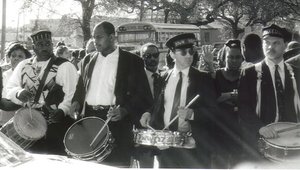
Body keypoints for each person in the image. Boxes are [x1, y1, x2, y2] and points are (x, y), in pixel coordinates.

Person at [71, 21, 148, 168]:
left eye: (99, 37)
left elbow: (142, 94)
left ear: (112, 37)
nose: (95, 41)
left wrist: (125, 110)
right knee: (90, 164)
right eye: (94, 37)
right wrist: (76, 101)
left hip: (116, 122)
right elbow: (81, 87)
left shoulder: (132, 61)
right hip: (90, 120)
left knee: (116, 165)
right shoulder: (87, 60)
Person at [139, 33, 219, 168]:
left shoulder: (203, 78)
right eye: (183, 52)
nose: (188, 55)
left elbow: (215, 112)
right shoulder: (162, 78)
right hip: (167, 146)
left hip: (193, 146)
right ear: (172, 54)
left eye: (191, 51)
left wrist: (192, 114)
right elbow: (158, 105)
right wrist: (148, 113)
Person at [6, 30, 78, 155]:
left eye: (47, 43)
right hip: (28, 122)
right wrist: (18, 93)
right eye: (40, 44)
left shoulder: (65, 65)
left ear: (52, 45)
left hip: (55, 123)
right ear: (33, 47)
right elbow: (9, 87)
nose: (45, 47)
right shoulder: (23, 65)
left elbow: (72, 93)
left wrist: (63, 110)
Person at [238, 24, 300, 161]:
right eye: (266, 43)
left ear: (285, 44)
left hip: (295, 141)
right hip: (262, 143)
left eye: (276, 43)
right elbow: (243, 107)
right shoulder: (250, 74)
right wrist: (259, 127)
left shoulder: (296, 72)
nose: (270, 47)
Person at [207, 39, 244, 168]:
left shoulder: (246, 76)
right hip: (219, 130)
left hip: (239, 131)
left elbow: (248, 100)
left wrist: (223, 96)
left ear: (242, 58)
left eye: (237, 57)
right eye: (230, 57)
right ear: (224, 57)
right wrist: (232, 95)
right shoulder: (216, 75)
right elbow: (210, 100)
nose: (234, 60)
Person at [132, 43, 162, 168]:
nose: (152, 59)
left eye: (155, 55)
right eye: (147, 56)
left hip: (162, 131)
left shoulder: (166, 76)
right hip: (143, 132)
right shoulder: (134, 79)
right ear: (141, 57)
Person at [0, 42, 32, 126]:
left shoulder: (31, 75)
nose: (16, 58)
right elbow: (5, 99)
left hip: (25, 120)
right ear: (9, 58)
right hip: (6, 118)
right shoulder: (4, 75)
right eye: (13, 56)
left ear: (26, 59)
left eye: (20, 56)